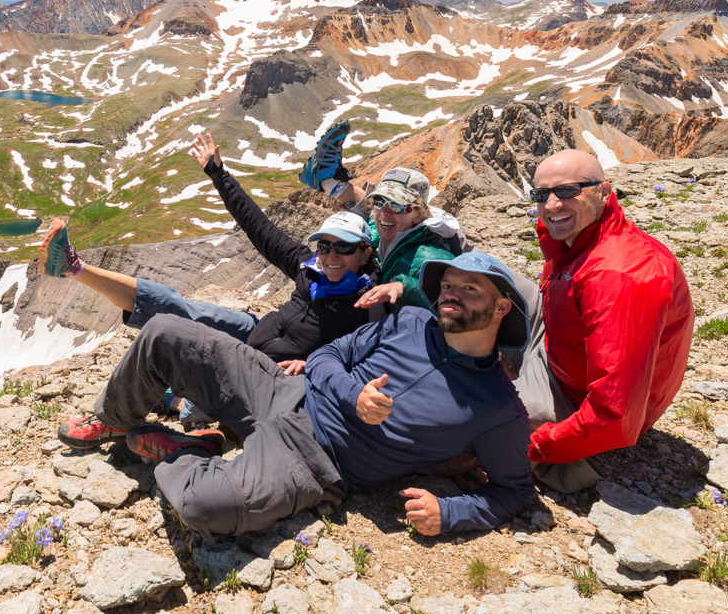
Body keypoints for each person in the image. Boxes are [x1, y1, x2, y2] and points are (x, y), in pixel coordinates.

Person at [55, 252, 535, 541]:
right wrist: (353, 396)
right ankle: (115, 418)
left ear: (501, 307)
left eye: (469, 290)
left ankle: (195, 450)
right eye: (447, 286)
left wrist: (449, 512)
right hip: (287, 389)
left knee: (203, 506)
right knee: (164, 332)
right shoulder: (410, 322)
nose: (450, 296)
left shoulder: (497, 407)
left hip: (315, 461)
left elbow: (514, 491)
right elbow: (327, 357)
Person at [38, 133, 381, 382]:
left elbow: (368, 359)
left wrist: (314, 367)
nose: (331, 255)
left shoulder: (370, 302)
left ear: (366, 253)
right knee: (175, 306)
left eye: (345, 247)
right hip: (254, 330)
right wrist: (219, 174)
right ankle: (73, 267)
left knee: (197, 392)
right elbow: (258, 226)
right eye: (325, 246)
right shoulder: (308, 266)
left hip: (266, 369)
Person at [515, 149, 695, 493]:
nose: (551, 205)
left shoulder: (619, 274)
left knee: (486, 420)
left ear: (603, 191)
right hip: (564, 353)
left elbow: (615, 413)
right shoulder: (581, 238)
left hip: (578, 399)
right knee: (479, 282)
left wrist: (537, 446)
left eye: (567, 191)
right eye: (541, 195)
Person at [299, 121, 460, 311]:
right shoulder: (389, 230)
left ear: (420, 215)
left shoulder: (428, 257)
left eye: (398, 206)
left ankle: (326, 179)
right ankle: (326, 179)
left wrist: (403, 288)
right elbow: (373, 214)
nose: (384, 212)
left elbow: (453, 298)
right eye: (379, 201)